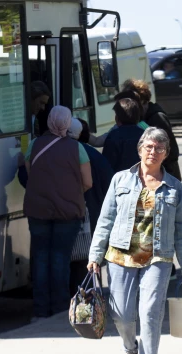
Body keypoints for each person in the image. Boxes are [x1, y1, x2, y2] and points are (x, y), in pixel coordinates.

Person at [87, 127, 182, 354]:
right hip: (120, 256)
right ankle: (130, 349)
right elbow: (105, 220)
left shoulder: (175, 188)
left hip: (158, 257)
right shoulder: (120, 180)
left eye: (159, 148)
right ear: (140, 150)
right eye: (149, 147)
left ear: (166, 154)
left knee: (150, 313)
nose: (153, 152)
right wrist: (95, 255)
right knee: (122, 313)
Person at [24, 106, 93, 321]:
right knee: (60, 260)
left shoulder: (35, 145)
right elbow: (88, 182)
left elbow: (30, 172)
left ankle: (40, 310)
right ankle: (60, 310)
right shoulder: (76, 148)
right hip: (68, 212)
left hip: (38, 210)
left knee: (41, 259)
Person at [68, 118, 114, 296]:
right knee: (90, 260)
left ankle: (77, 303)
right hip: (96, 214)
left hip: (73, 213)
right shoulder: (95, 155)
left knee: (75, 262)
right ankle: (93, 301)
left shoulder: (66, 152)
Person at [121, 79, 182, 181]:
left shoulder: (157, 117)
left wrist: (163, 174)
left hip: (165, 176)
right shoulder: (141, 118)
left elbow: (171, 151)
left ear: (143, 101)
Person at [17, 81, 52, 188]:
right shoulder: (16, 118)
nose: (43, 108)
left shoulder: (34, 119)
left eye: (45, 104)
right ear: (31, 98)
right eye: (41, 102)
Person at [102, 98, 145, 172]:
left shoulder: (114, 136)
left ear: (117, 118)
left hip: (121, 180)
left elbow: (107, 165)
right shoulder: (145, 134)